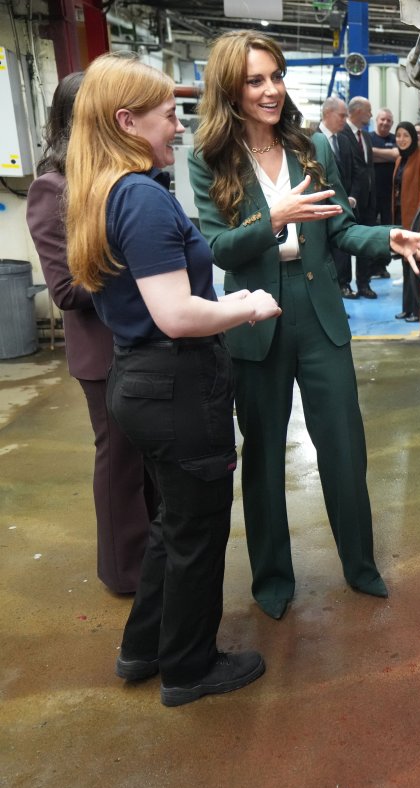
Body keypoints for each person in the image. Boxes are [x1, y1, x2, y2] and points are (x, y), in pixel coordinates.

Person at [188, 31, 420, 620]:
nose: (271, 90)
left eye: (275, 76)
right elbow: (217, 248)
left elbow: (340, 226)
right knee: (264, 454)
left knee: (344, 445)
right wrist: (274, 218)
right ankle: (273, 580)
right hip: (255, 314)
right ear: (230, 89)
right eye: (255, 80)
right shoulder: (210, 159)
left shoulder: (310, 147)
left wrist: (387, 237)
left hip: (319, 311)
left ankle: (360, 565)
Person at [65, 52, 281, 706]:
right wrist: (246, 307)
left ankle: (143, 648)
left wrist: (218, 301)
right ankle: (190, 668)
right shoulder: (141, 198)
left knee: (172, 524)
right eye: (166, 115)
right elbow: (176, 314)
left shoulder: (104, 191)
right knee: (198, 532)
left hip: (141, 377)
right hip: (176, 385)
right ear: (126, 121)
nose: (177, 126)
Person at [27, 72, 158, 596]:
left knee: (146, 462)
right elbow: (64, 289)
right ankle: (125, 572)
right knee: (120, 464)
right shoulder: (51, 188)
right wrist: (143, 264)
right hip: (103, 354)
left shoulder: (115, 179)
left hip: (141, 344)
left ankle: (150, 558)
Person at [314, 96, 356, 299]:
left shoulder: (344, 141)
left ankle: (342, 286)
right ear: (327, 113)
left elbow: (353, 171)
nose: (345, 120)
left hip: (341, 208)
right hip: (319, 210)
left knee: (342, 250)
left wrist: (351, 196)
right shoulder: (310, 141)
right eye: (342, 116)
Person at [337, 96, 378, 299]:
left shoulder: (366, 137)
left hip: (368, 200)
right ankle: (344, 284)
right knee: (346, 245)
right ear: (359, 111)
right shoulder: (341, 134)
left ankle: (364, 284)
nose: (371, 115)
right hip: (350, 200)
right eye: (368, 111)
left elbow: (367, 169)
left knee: (366, 244)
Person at [392, 121, 420, 323]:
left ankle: (416, 310)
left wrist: (419, 222)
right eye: (398, 135)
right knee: (405, 266)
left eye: (406, 135)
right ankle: (407, 308)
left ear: (413, 138)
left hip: (413, 220)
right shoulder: (400, 159)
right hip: (400, 218)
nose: (401, 139)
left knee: (414, 266)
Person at [367, 108, 398, 279]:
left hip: (389, 195)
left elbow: (396, 155)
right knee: (371, 231)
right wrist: (388, 155)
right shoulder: (368, 137)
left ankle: (381, 266)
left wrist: (373, 152)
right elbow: (367, 156)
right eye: (382, 119)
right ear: (376, 120)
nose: (385, 123)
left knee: (387, 231)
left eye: (389, 120)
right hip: (371, 194)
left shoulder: (395, 139)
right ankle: (369, 267)